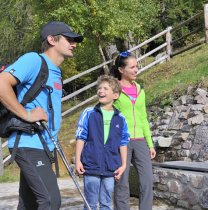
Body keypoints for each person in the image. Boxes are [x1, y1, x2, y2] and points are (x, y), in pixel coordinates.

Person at [0, 21, 83, 209]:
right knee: (50, 200)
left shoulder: (56, 72)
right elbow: (1, 84)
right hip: (29, 143)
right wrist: (27, 115)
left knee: (29, 204)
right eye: (69, 39)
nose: (74, 43)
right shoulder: (34, 60)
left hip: (44, 146)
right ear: (52, 40)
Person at [75, 75, 130, 210]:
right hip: (91, 165)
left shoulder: (121, 118)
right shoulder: (88, 113)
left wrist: (123, 165)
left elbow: (123, 142)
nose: (101, 91)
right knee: (91, 204)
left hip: (111, 167)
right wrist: (78, 161)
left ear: (115, 95)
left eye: (105, 88)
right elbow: (80, 137)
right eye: (99, 88)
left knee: (106, 203)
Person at [111, 51, 156, 210]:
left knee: (147, 181)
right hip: (121, 142)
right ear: (121, 70)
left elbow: (143, 118)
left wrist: (150, 144)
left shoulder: (140, 90)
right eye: (132, 67)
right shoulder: (113, 90)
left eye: (137, 66)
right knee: (121, 182)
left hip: (140, 141)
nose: (136, 70)